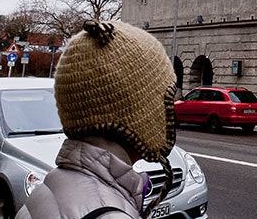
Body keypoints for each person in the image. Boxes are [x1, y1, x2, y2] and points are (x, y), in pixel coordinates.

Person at [16, 20, 177, 219]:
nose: (171, 111)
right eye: (167, 99)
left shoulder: (49, 189)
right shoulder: (110, 215)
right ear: (135, 109)